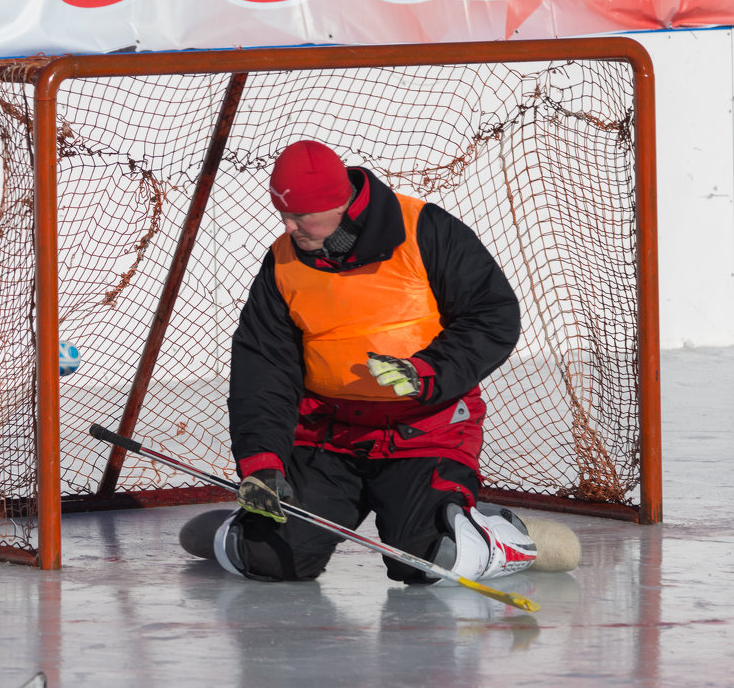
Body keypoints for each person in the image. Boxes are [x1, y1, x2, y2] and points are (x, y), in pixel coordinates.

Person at [180, 139, 579, 583]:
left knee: (430, 561)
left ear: (339, 203)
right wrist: (261, 464)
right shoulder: (282, 262)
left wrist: (427, 372)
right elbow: (263, 369)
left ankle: (491, 531)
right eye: (284, 216)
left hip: (425, 432)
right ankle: (240, 534)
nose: (290, 228)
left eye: (301, 216)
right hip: (326, 438)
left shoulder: (425, 229)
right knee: (270, 560)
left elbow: (493, 315)